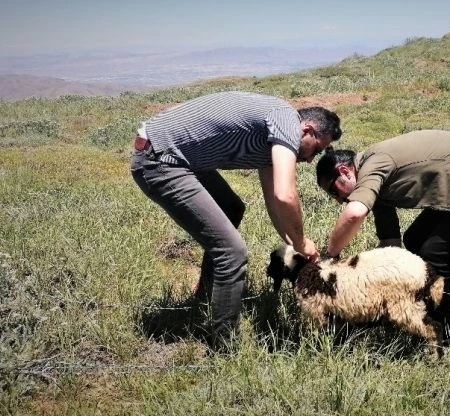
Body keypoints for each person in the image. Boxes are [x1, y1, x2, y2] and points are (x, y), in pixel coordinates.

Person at [130, 90, 341, 350]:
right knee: (232, 251)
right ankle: (223, 349)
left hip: (176, 155)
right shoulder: (285, 119)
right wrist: (302, 241)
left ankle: (207, 294)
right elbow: (286, 195)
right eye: (316, 150)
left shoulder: (271, 141)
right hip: (160, 159)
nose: (310, 160)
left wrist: (295, 244)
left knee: (231, 207)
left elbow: (274, 205)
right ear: (307, 130)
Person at [315, 130, 450, 337]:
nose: (339, 200)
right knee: (415, 239)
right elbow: (391, 246)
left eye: (334, 191)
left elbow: (354, 214)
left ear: (345, 171)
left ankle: (448, 335)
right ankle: (426, 315)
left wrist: (330, 257)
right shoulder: (375, 181)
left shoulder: (374, 164)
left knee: (435, 254)